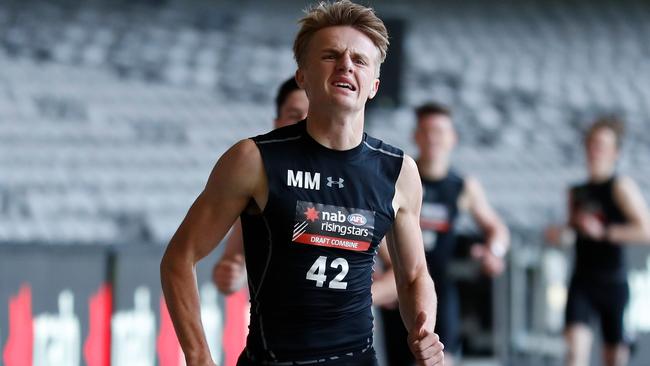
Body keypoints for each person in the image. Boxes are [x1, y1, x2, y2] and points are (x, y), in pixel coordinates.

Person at [160, 2, 444, 366]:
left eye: (359, 60)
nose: (345, 65)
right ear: (302, 75)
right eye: (330, 55)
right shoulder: (254, 160)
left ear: (373, 85)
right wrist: (199, 357)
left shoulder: (398, 170)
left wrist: (425, 333)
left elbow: (414, 274)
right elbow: (179, 258)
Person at [379, 102, 510, 366]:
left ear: (453, 138)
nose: (432, 138)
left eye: (439, 132)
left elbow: (497, 228)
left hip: (440, 287)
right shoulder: (400, 178)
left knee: (439, 360)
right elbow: (379, 227)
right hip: (402, 283)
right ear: (416, 136)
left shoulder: (462, 186)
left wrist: (493, 251)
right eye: (426, 131)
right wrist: (393, 266)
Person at [546, 117, 650, 366]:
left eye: (602, 146)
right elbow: (571, 232)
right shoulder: (577, 192)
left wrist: (603, 232)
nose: (595, 151)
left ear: (615, 153)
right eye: (592, 144)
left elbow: (645, 230)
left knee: (614, 359)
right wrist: (561, 234)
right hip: (582, 281)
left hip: (612, 282)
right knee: (574, 355)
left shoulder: (620, 187)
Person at [212, 77, 309, 295]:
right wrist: (231, 275)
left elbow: (400, 272)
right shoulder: (260, 183)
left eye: (311, 116)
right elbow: (232, 263)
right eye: (294, 115)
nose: (303, 123)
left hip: (346, 326)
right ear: (277, 123)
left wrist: (362, 296)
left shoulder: (347, 180)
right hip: (276, 326)